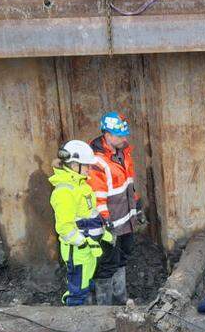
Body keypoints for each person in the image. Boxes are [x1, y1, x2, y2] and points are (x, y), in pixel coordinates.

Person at [87, 111, 144, 305]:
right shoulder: (97, 161)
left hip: (125, 220)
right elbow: (97, 195)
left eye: (124, 134)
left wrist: (137, 206)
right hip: (109, 224)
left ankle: (121, 300)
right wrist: (105, 221)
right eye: (120, 135)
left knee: (123, 256)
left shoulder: (123, 153)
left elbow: (128, 184)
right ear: (107, 135)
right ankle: (105, 307)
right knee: (107, 263)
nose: (124, 138)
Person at [49, 140, 114, 306]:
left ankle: (87, 320)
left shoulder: (81, 185)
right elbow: (65, 228)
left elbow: (89, 215)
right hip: (78, 251)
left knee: (86, 283)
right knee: (78, 290)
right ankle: (75, 325)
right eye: (85, 165)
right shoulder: (65, 191)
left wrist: (103, 232)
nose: (89, 168)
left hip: (89, 250)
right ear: (73, 165)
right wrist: (83, 243)